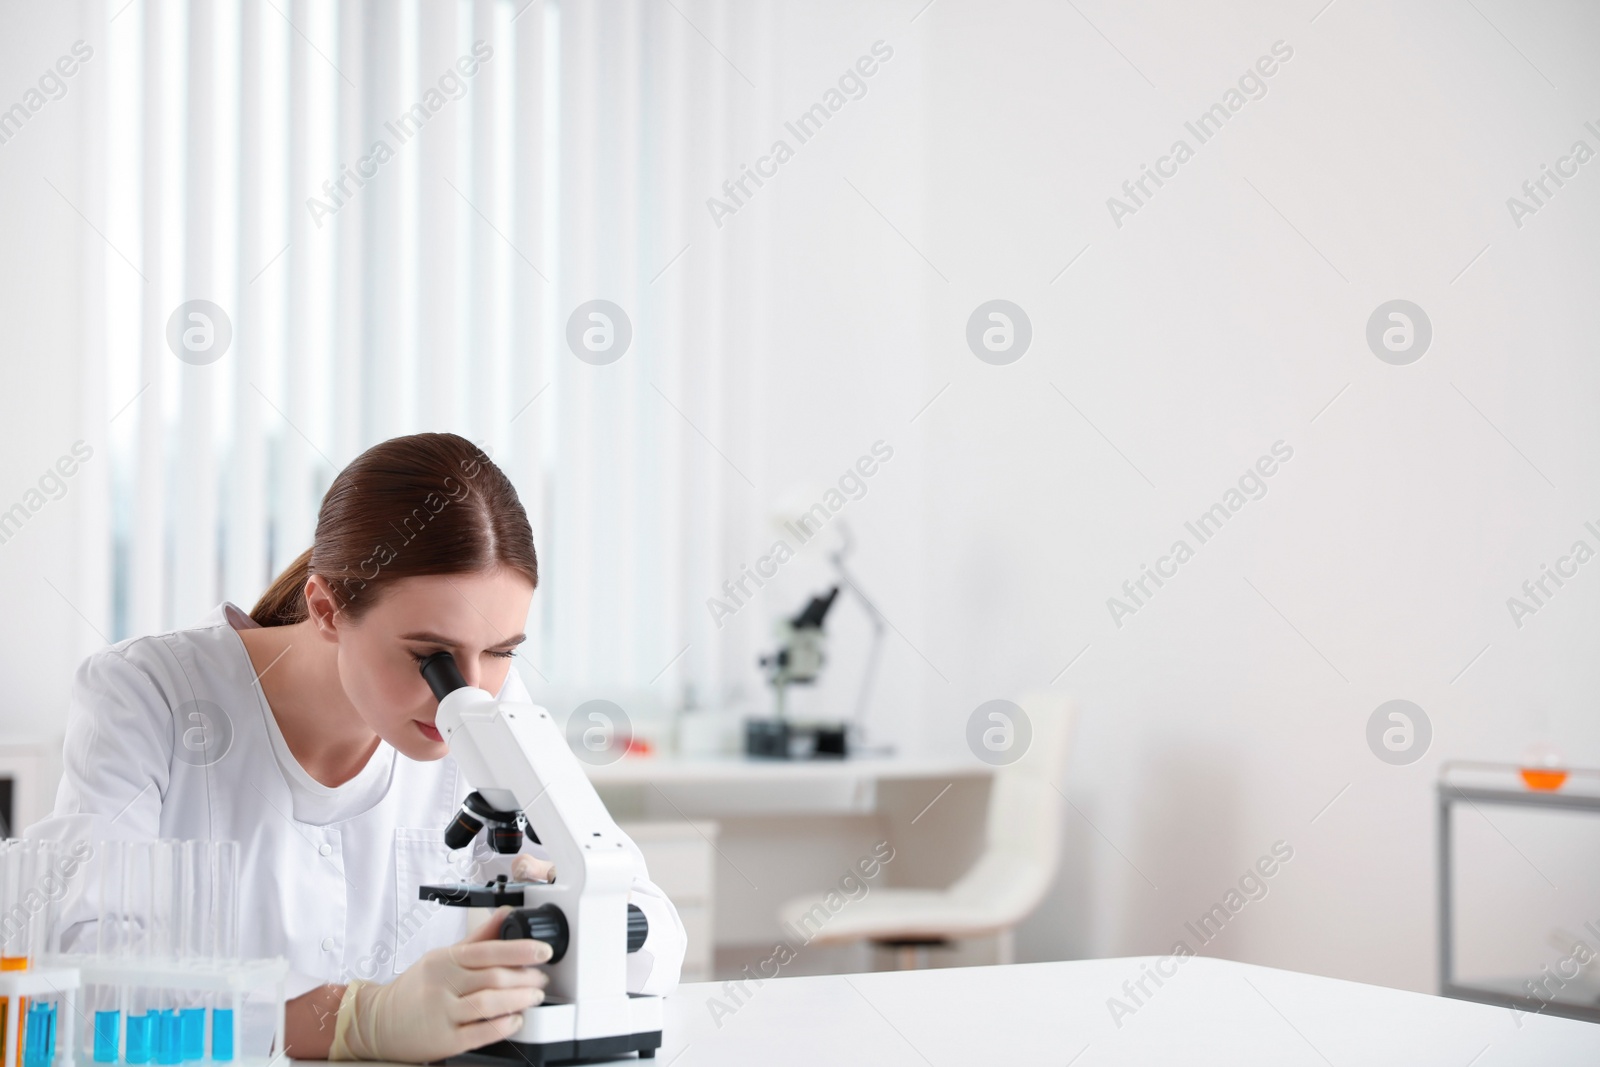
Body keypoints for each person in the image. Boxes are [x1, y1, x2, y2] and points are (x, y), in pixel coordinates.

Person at [26, 432, 686, 1062]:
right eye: (433, 657)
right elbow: (85, 971)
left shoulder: (489, 702)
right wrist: (358, 1019)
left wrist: (568, 911)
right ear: (327, 608)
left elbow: (656, 930)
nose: (469, 692)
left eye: (500, 652)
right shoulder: (148, 694)